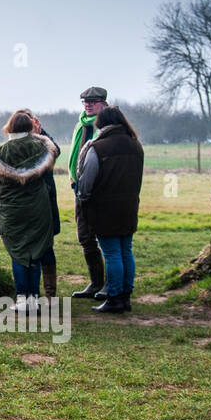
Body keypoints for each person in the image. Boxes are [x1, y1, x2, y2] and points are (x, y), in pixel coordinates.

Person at [0, 110, 60, 313]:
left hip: (11, 208)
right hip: (38, 207)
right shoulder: (43, 148)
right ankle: (34, 298)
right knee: (35, 252)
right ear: (30, 127)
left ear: (9, 127)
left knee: (18, 253)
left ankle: (22, 299)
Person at [75, 105, 145, 314]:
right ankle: (125, 295)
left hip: (105, 208)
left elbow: (86, 181)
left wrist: (83, 198)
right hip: (129, 205)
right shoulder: (136, 145)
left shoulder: (98, 147)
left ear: (101, 124)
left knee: (112, 253)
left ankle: (113, 297)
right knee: (126, 251)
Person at [68, 86, 110, 300]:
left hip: (100, 189)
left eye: (93, 101)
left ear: (103, 103)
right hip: (80, 186)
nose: (88, 104)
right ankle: (96, 283)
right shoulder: (81, 124)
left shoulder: (107, 125)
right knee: (85, 236)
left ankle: (109, 285)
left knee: (105, 236)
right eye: (85, 101)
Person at [28, 111, 62, 300]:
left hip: (46, 202)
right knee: (30, 249)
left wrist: (41, 133)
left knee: (47, 247)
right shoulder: (18, 146)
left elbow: (55, 150)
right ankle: (31, 292)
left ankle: (50, 293)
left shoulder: (44, 143)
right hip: (30, 203)